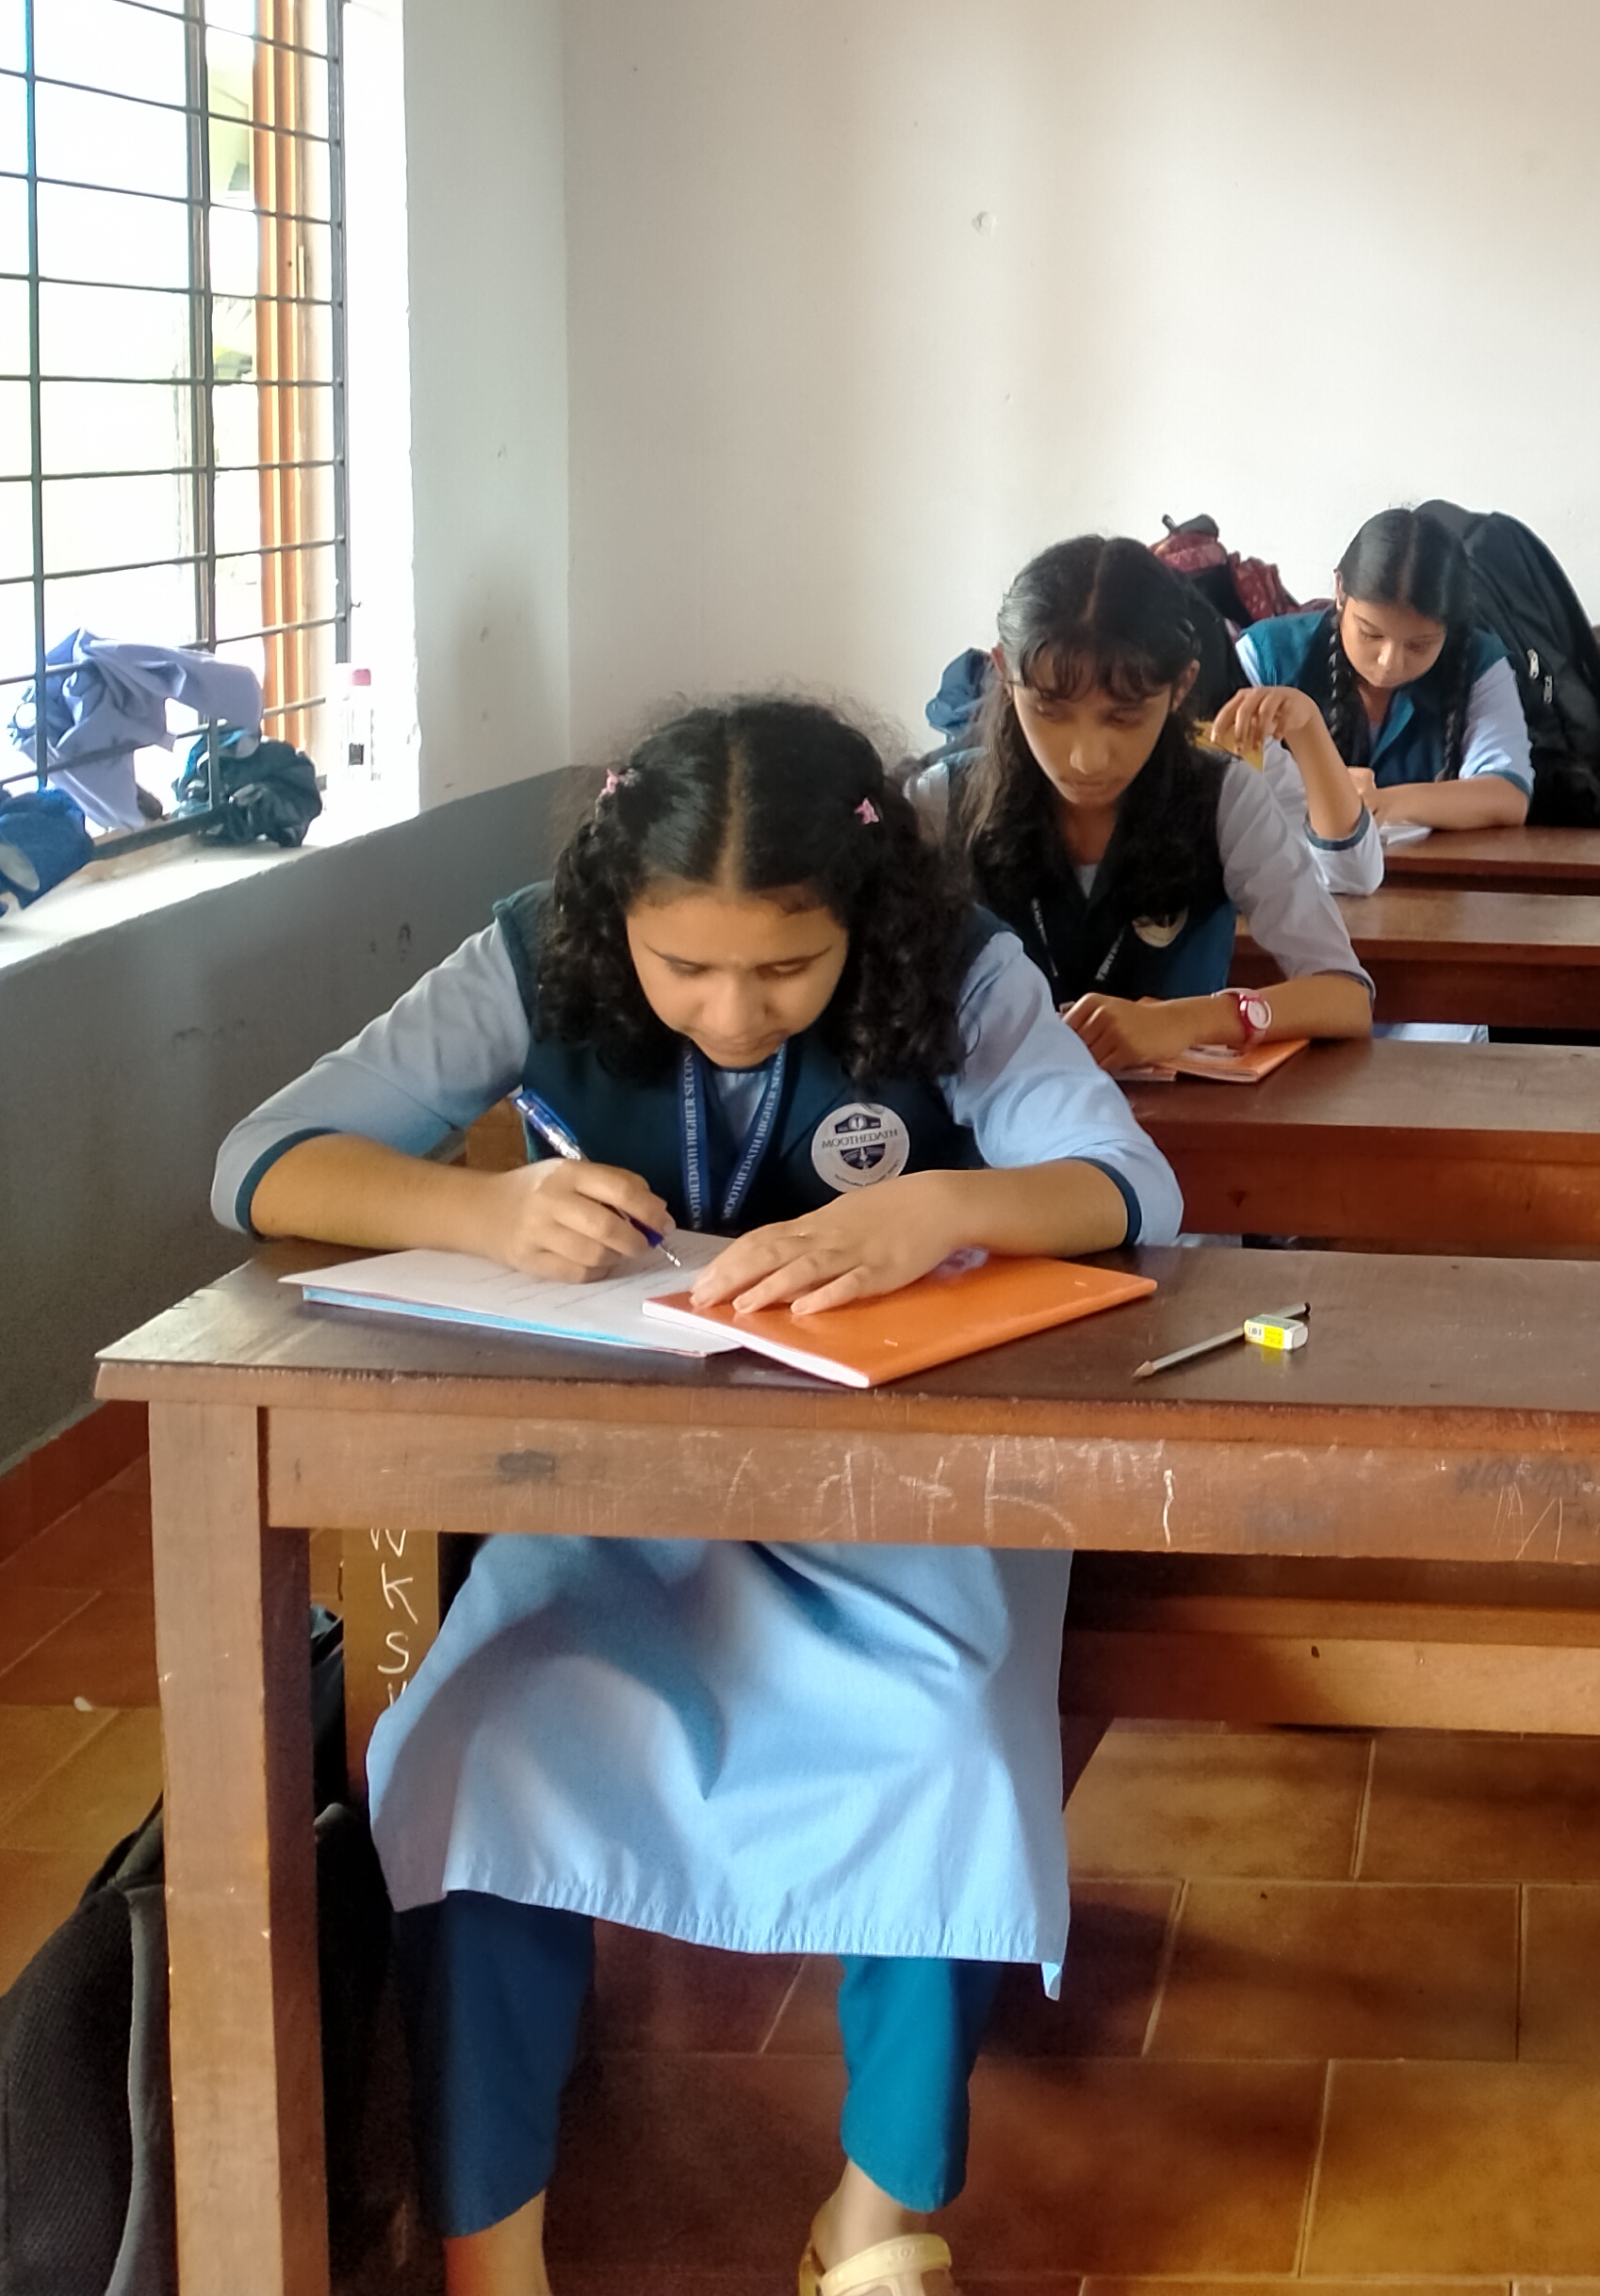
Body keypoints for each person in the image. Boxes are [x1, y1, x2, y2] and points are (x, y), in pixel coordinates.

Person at [218, 698, 1177, 2296]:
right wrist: (478, 1210)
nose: (733, 1011)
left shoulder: (959, 965)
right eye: (683, 967)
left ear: (861, 917)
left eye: (787, 969)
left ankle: (878, 2216)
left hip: (903, 1500)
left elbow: (1130, 1184)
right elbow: (263, 1159)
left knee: (949, 1749)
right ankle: (490, 2245)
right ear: (621, 917)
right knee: (473, 1740)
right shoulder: (535, 952)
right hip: (619, 1499)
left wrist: (945, 1207)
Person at [935, 534, 1378, 1074]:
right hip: (985, 1117)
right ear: (1005, 673)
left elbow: (1345, 996)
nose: (1086, 758)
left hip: (1177, 1119)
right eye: (1050, 711)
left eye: (1123, 717)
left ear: (1181, 686)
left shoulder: (1224, 797)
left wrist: (1186, 1021)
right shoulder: (939, 800)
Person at [1234, 506, 1538, 832]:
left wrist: (1382, 802)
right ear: (1340, 591)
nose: (1389, 662)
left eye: (1419, 645)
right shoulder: (1265, 655)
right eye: (1370, 634)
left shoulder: (1479, 662)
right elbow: (1225, 783)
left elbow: (1506, 796)